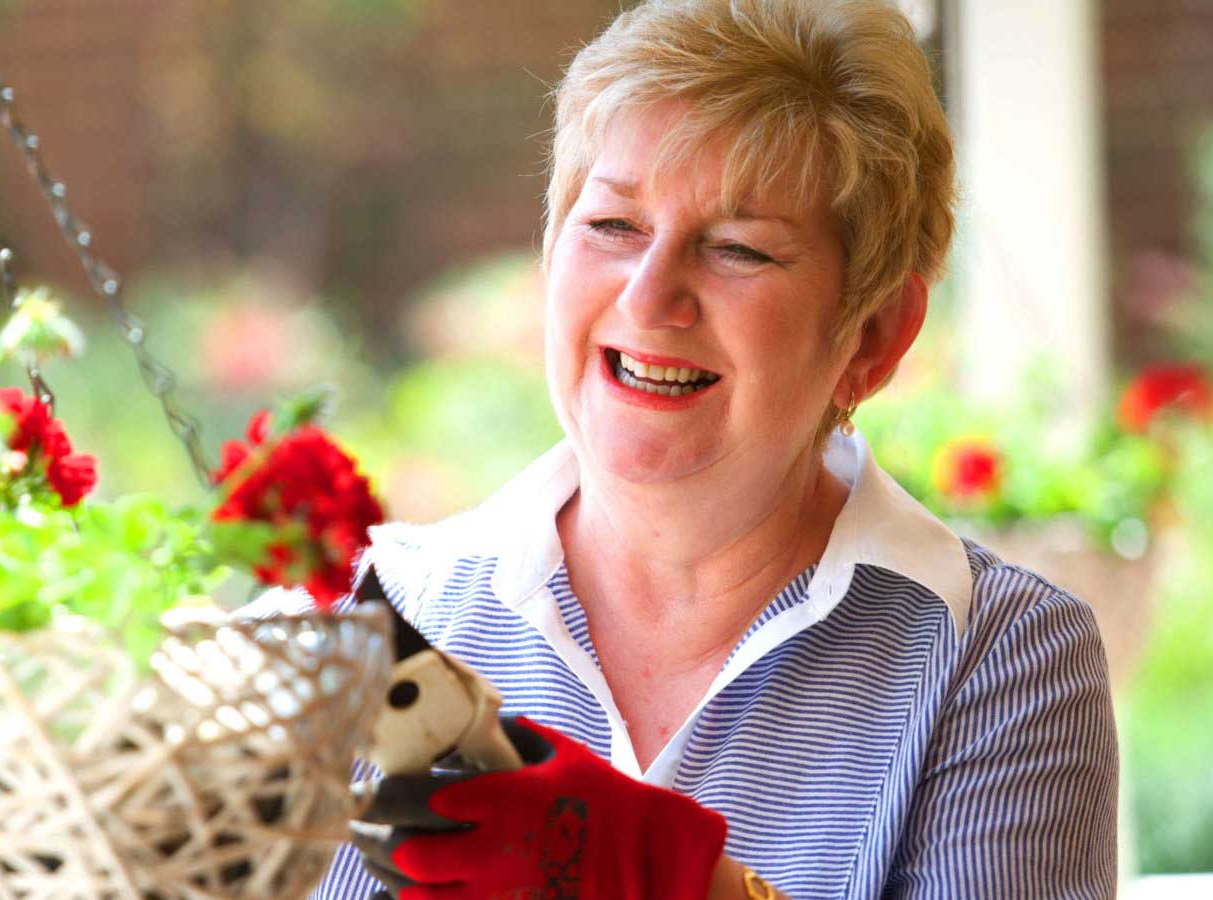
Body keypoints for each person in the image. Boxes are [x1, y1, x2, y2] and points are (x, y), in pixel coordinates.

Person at [273, 1, 1119, 897]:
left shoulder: (997, 663)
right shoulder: (367, 621)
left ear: (871, 336)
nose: (648, 298)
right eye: (613, 226)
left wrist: (676, 877)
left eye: (737, 249)